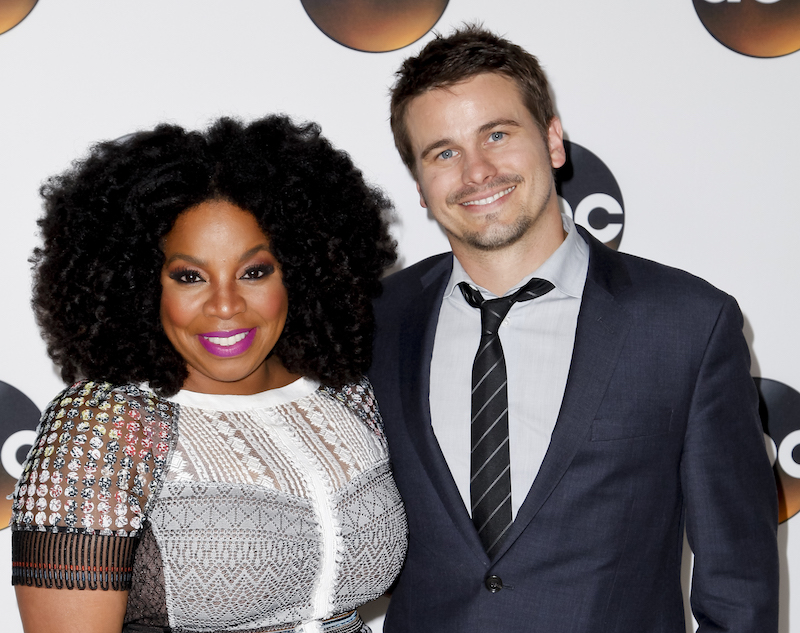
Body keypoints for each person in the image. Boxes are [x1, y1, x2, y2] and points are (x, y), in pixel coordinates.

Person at [368, 24, 779, 632]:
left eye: (498, 134)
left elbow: (738, 584)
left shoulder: (686, 323)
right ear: (422, 187)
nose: (477, 171)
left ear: (553, 141)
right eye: (444, 152)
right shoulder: (376, 320)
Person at [10, 115, 407, 633]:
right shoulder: (104, 426)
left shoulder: (344, 394)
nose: (225, 305)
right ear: (142, 284)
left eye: (254, 271)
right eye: (190, 276)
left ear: (303, 270)